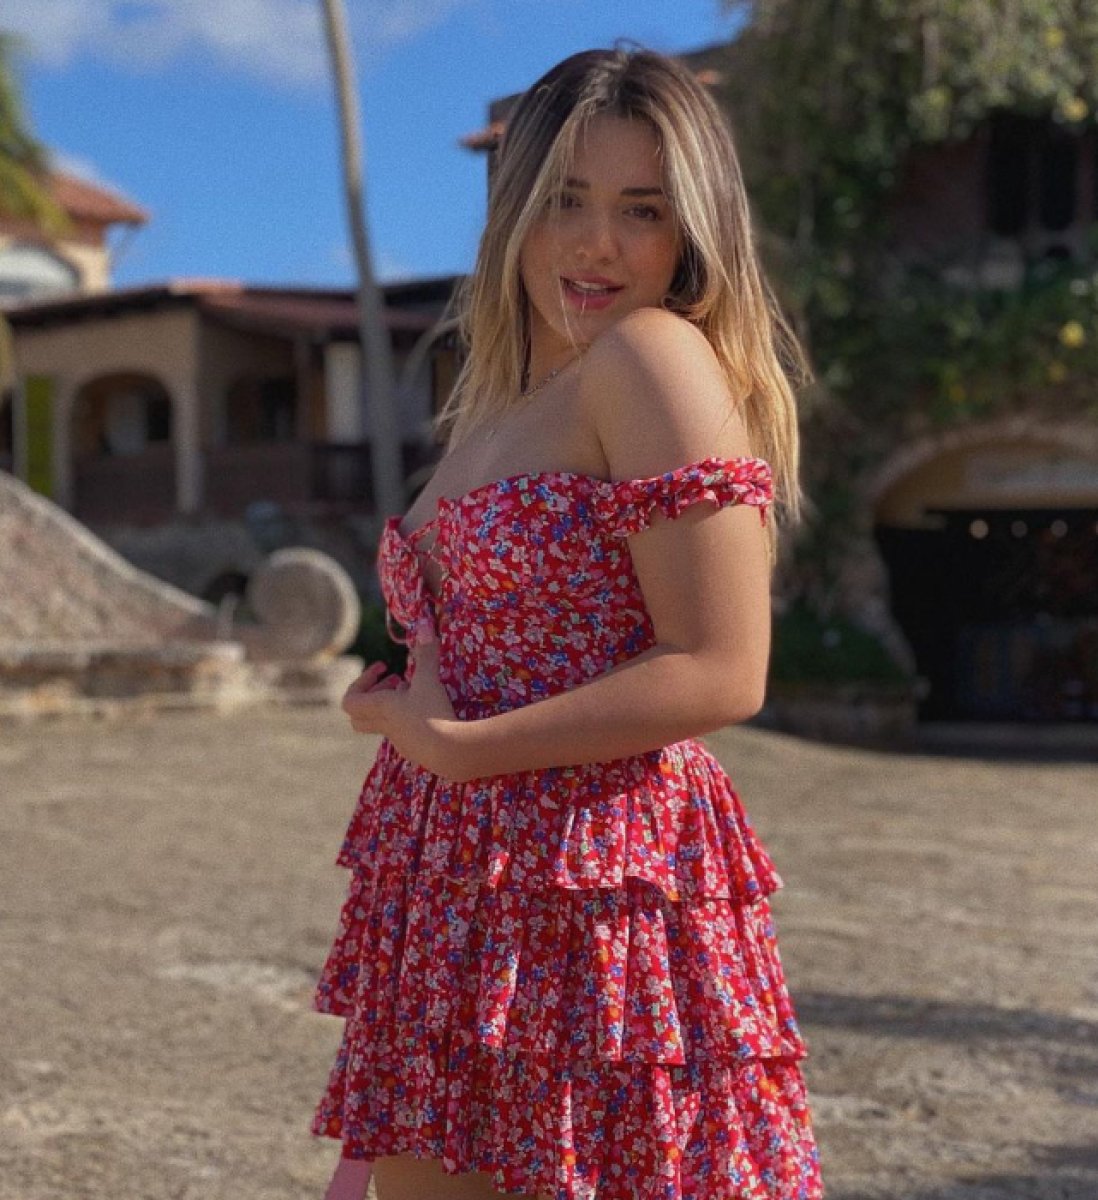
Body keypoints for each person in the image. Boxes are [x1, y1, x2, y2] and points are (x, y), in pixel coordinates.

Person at [311, 45, 822, 1200]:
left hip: (588, 892)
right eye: (566, 201)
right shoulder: (498, 400)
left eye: (642, 210)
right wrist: (397, 705)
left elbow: (723, 668)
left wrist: (464, 747)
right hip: (455, 888)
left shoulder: (649, 355)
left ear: (691, 231)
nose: (597, 245)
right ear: (516, 213)